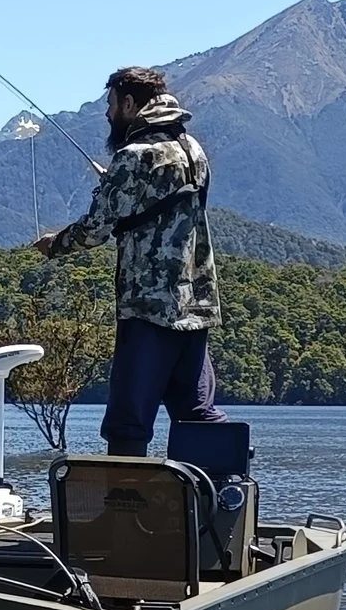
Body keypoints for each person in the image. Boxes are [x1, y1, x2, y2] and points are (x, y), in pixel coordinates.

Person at [32, 66, 227, 456]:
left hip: (147, 307)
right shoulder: (193, 150)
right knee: (196, 412)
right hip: (197, 306)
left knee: (128, 422)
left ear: (129, 103)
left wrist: (54, 245)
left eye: (110, 104)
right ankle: (213, 501)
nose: (107, 114)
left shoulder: (135, 156)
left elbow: (97, 227)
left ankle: (128, 508)